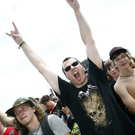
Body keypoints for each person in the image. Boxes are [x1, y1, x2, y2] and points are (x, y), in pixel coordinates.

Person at [6, 0, 135, 134]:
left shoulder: (97, 76)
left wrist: (77, 11)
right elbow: (42, 68)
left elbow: (89, 42)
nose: (72, 68)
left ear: (82, 66)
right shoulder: (67, 92)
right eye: (67, 69)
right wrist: (22, 43)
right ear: (66, 76)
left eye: (75, 64)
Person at [5, 97, 70, 135]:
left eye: (24, 108)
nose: (20, 113)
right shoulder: (22, 133)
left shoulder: (50, 121)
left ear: (33, 108)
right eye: (17, 112)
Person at [104, 59, 135, 123]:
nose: (112, 70)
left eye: (113, 66)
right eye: (109, 69)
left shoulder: (129, 76)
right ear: (107, 72)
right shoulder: (110, 88)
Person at [109, 46, 135, 114]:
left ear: (128, 57)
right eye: (117, 59)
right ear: (115, 64)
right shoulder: (119, 86)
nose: (122, 60)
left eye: (123, 56)